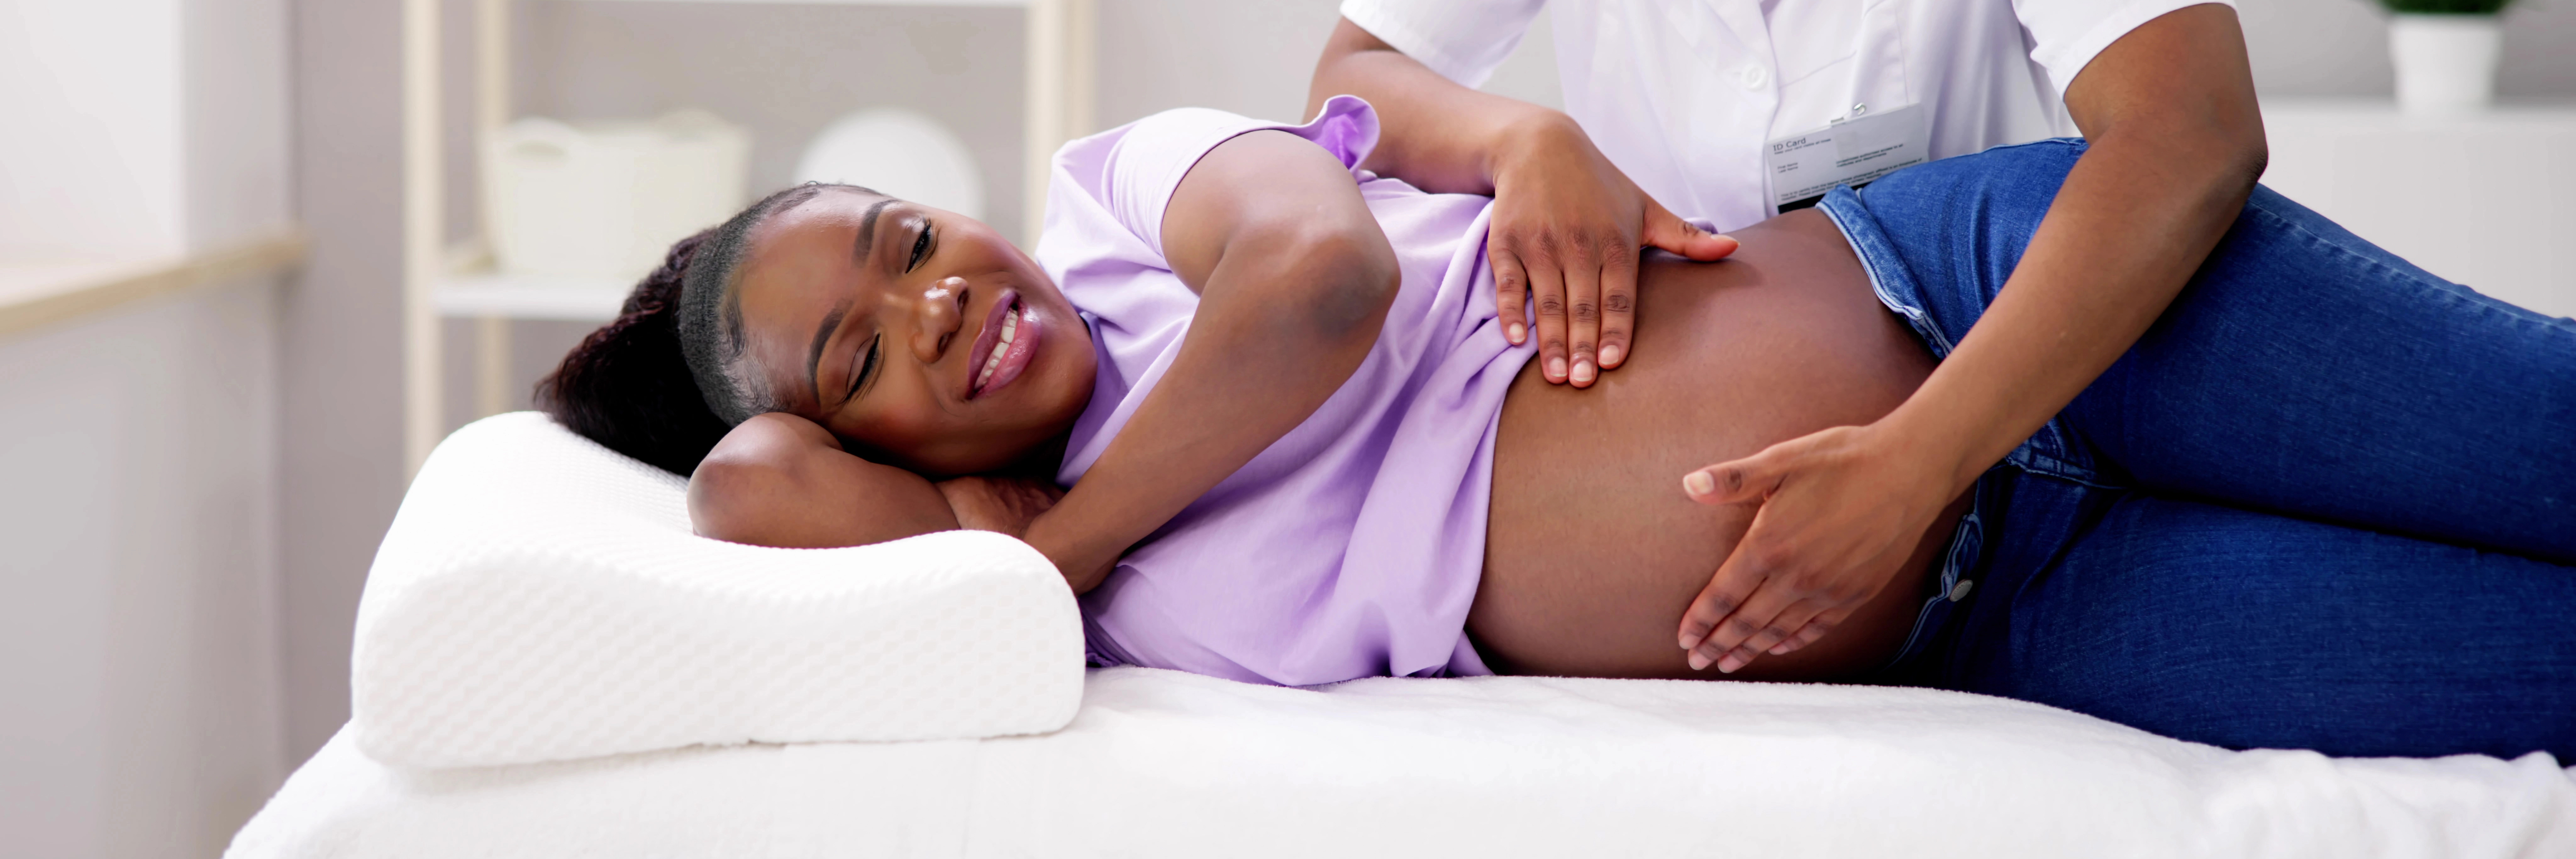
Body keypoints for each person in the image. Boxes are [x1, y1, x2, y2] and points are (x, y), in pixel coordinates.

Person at [537, 98, 2575, 760]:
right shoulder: (962, 539)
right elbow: (738, 490)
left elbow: (1324, 285)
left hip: (1998, 302)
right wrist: (966, 525)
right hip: (2000, 600)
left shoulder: (1123, 194)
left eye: (906, 237)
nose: (936, 298)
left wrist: (1045, 549)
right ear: (871, 455)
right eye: (860, 354)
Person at [1310, 1, 2277, 678]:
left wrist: (1917, 465)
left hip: (2076, 354)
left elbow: (2189, 121)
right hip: (1975, 602)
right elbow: (1355, 79)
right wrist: (1516, 138)